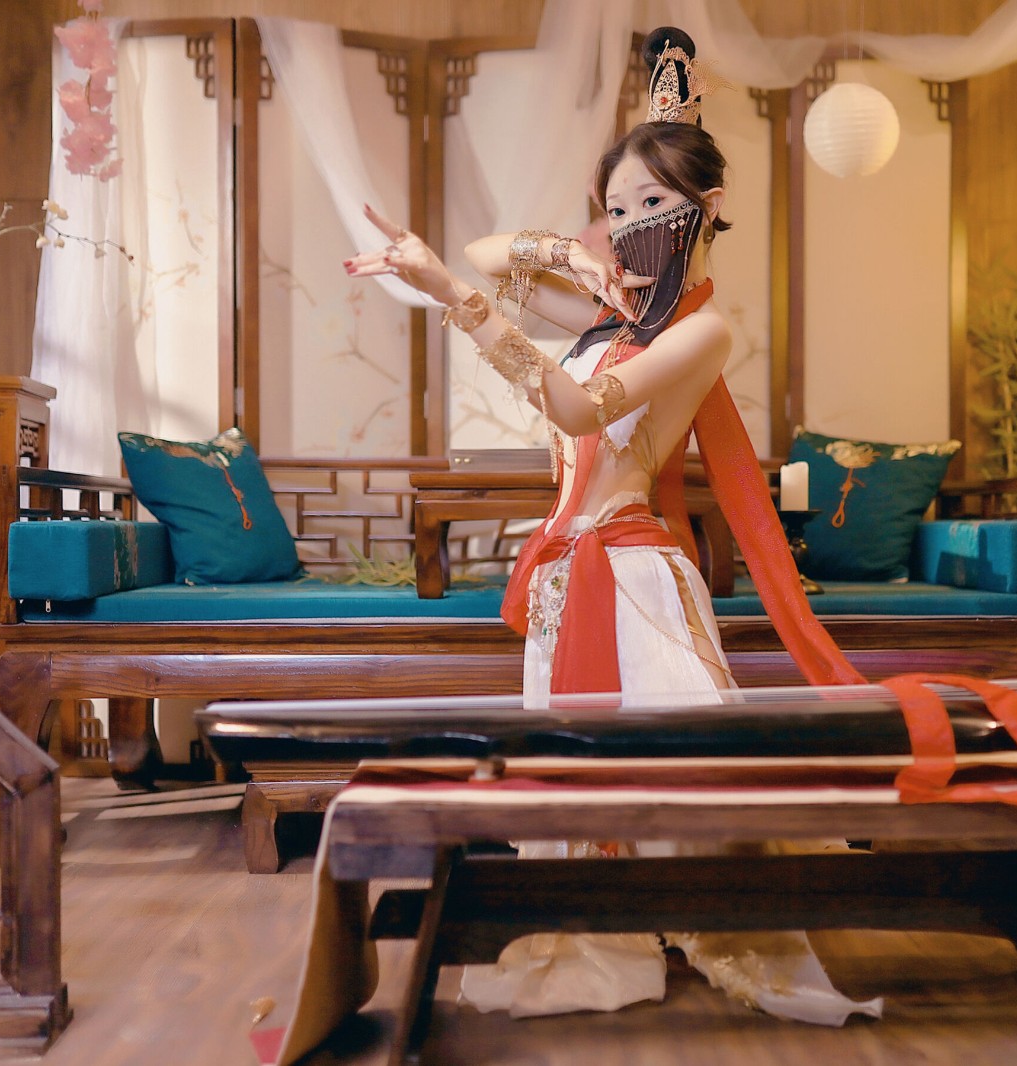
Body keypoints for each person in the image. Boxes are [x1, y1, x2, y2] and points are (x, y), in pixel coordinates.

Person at [344, 27, 879, 1026]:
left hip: (634, 577)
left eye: (647, 206)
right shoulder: (611, 318)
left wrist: (448, 295)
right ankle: (604, 923)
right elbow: (491, 251)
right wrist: (576, 260)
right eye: (615, 208)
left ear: (705, 207)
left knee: (682, 786)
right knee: (574, 777)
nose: (626, 227)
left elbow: (579, 411)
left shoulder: (704, 330)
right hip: (563, 573)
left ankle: (709, 917)